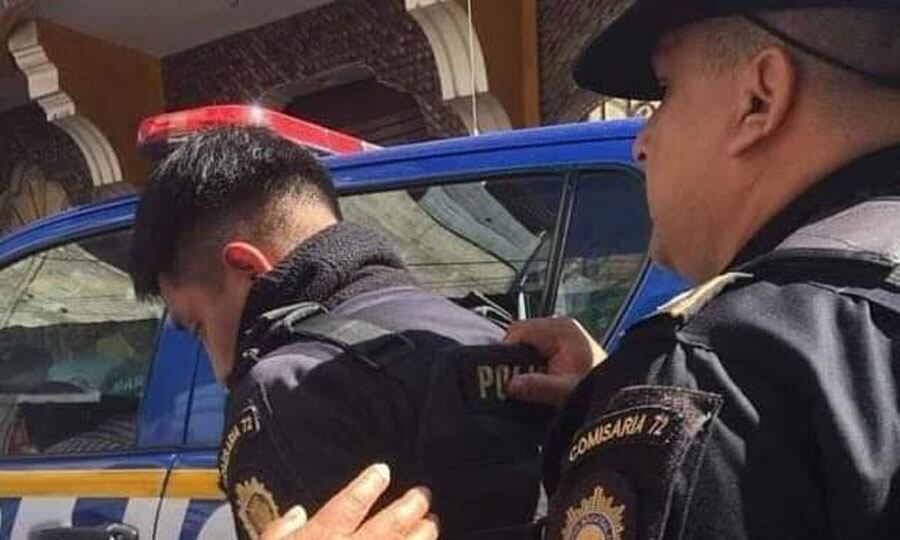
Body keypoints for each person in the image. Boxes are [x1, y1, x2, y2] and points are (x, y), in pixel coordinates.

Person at [262, 0, 900, 538]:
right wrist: (611, 400)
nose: (642, 142)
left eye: (664, 94)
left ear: (759, 98)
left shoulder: (725, 371)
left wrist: (662, 413)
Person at [129, 127, 549, 540]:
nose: (220, 372)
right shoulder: (491, 332)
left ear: (248, 268)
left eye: (199, 327)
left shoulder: (287, 388)